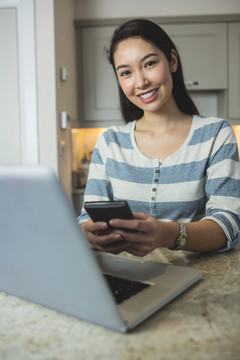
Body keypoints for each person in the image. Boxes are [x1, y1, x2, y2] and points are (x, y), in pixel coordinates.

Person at [78, 19, 240, 256]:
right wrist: (88, 233)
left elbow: (229, 223)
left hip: (196, 274)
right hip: (128, 275)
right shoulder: (110, 142)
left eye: (150, 63)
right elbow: (86, 217)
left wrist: (168, 234)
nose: (141, 82)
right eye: (126, 72)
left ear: (172, 60)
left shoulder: (216, 134)